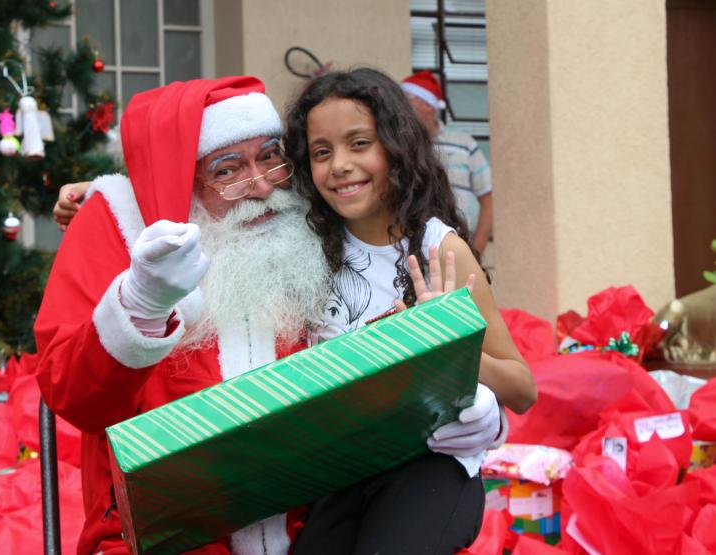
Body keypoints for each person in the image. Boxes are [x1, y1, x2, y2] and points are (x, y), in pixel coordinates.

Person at [41, 75, 516, 555]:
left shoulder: (309, 220)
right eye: (227, 170)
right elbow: (73, 394)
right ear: (178, 178)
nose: (262, 186)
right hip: (175, 536)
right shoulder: (124, 233)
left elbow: (375, 346)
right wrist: (142, 300)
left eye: (271, 156)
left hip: (318, 521)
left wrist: (472, 409)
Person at [282, 67, 536, 553]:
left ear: (396, 148)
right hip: (344, 475)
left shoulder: (442, 250)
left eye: (359, 143)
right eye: (321, 151)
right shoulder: (307, 256)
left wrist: (444, 348)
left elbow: (523, 388)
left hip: (431, 471)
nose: (339, 164)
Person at [400, 70, 494, 255]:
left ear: (428, 104)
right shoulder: (400, 146)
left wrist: (477, 250)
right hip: (411, 255)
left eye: (407, 99)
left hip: (459, 250)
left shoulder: (464, 143)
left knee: (462, 286)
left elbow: (488, 198)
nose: (400, 107)